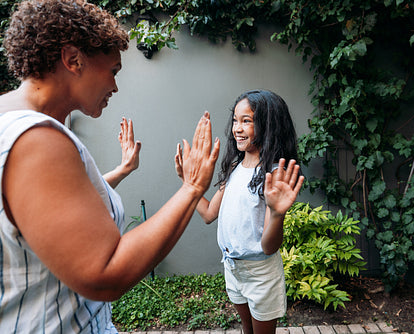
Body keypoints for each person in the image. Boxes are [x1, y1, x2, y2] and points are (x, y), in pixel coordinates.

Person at [0, 0, 219, 333]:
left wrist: (122, 170)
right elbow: (104, 275)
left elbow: (48, 216)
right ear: (73, 60)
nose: (115, 86)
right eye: (113, 71)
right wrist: (192, 188)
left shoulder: (9, 118)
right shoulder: (35, 140)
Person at [175, 89, 305, 334]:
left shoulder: (274, 174)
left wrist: (277, 215)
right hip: (232, 268)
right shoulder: (235, 165)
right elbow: (208, 214)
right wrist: (188, 184)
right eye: (235, 120)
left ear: (269, 126)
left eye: (246, 121)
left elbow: (269, 246)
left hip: (260, 274)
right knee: (247, 329)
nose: (237, 128)